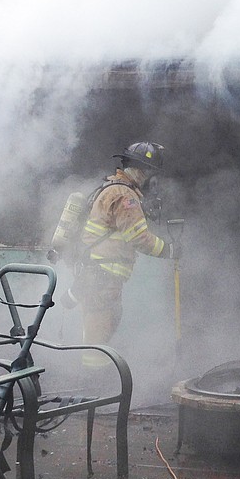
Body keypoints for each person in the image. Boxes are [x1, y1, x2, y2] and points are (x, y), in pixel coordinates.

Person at [70, 140, 180, 365]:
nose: (150, 178)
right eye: (150, 172)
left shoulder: (111, 188)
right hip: (102, 280)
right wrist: (169, 250)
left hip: (98, 278)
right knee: (97, 341)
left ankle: (96, 382)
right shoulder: (124, 195)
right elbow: (139, 237)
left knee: (100, 333)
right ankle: (95, 389)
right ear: (142, 170)